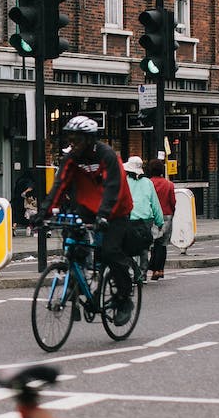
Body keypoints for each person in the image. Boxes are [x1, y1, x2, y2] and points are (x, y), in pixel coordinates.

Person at [36, 115, 136, 320]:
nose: (73, 144)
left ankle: (124, 298)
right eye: (70, 139)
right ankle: (77, 286)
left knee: (109, 252)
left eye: (77, 139)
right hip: (87, 208)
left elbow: (112, 188)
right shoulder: (71, 158)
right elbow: (59, 185)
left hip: (115, 210)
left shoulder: (107, 155)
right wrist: (42, 213)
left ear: (90, 139)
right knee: (73, 244)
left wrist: (104, 216)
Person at [144, 158, 176, 281]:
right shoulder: (169, 184)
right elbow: (173, 202)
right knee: (162, 244)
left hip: (151, 216)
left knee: (152, 244)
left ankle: (151, 269)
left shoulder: (147, 183)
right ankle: (159, 270)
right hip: (167, 215)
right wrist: (173, 212)